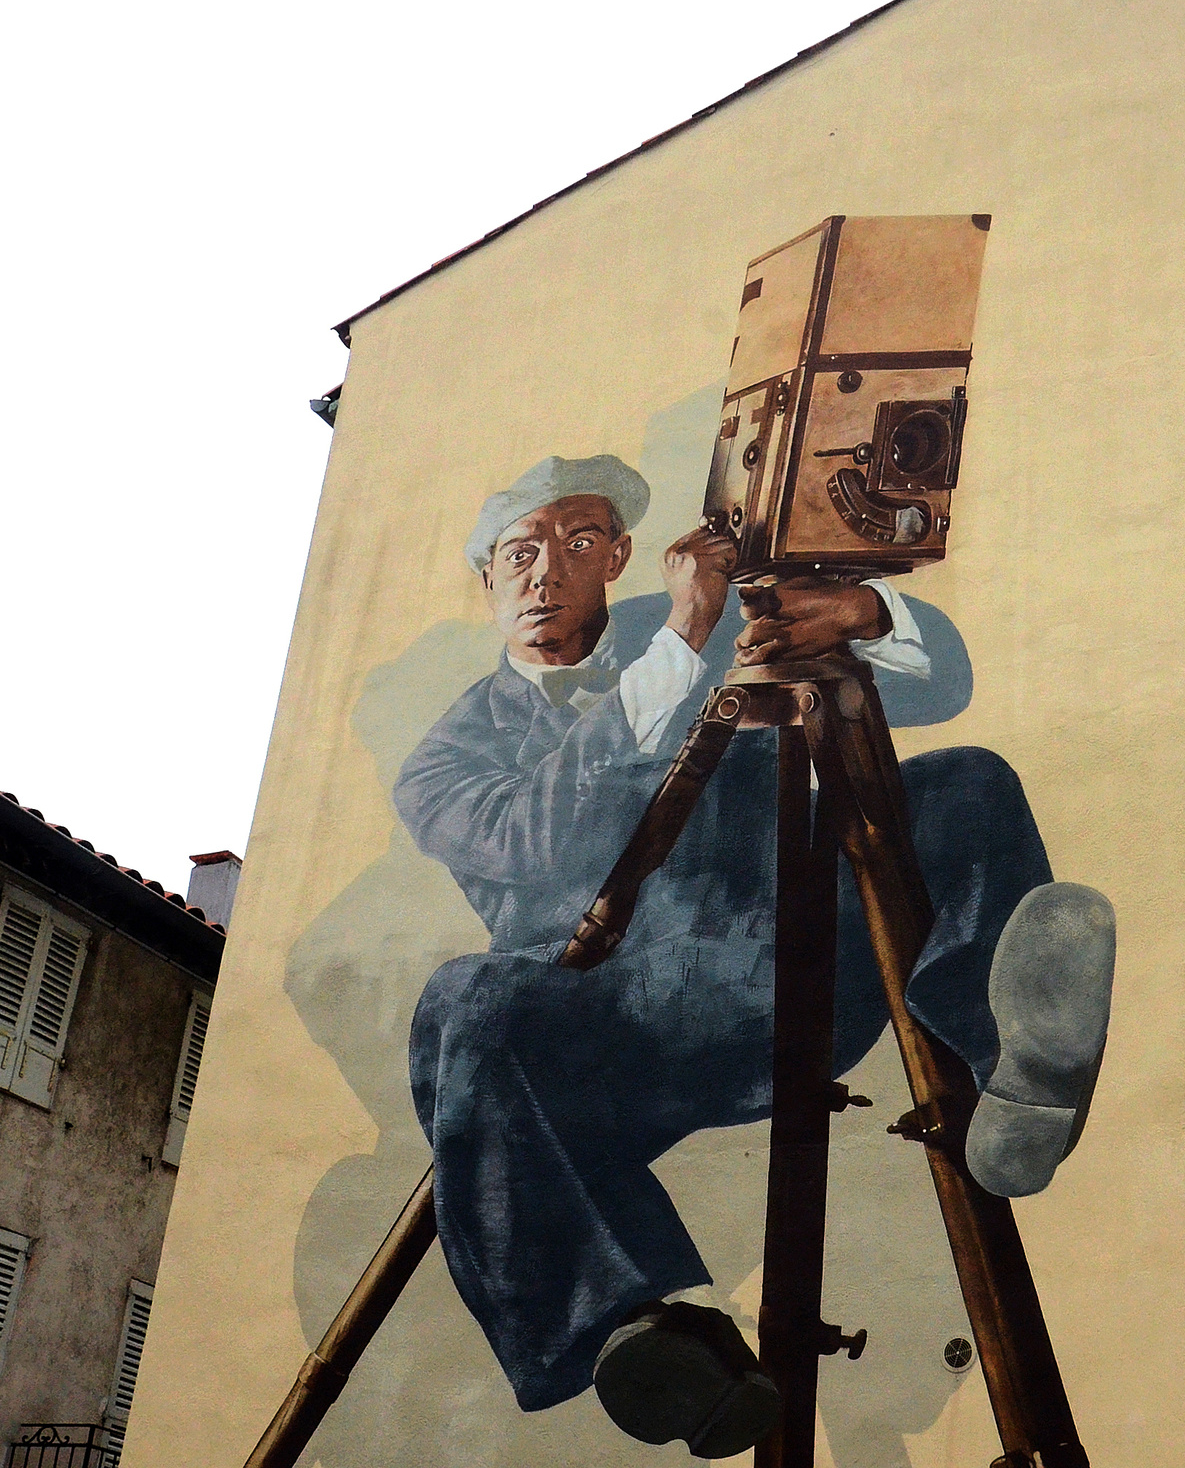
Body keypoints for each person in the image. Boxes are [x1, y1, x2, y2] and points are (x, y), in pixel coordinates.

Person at [399, 454, 1114, 1457]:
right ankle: (651, 1333)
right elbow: (543, 841)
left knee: (966, 785)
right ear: (487, 579)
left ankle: (1015, 1081)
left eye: (577, 541)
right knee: (462, 1002)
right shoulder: (447, 755)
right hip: (622, 1037)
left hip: (796, 969)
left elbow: (939, 680)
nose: (545, 570)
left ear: (615, 555)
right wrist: (687, 638)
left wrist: (862, 617)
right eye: (519, 552)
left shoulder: (705, 613)